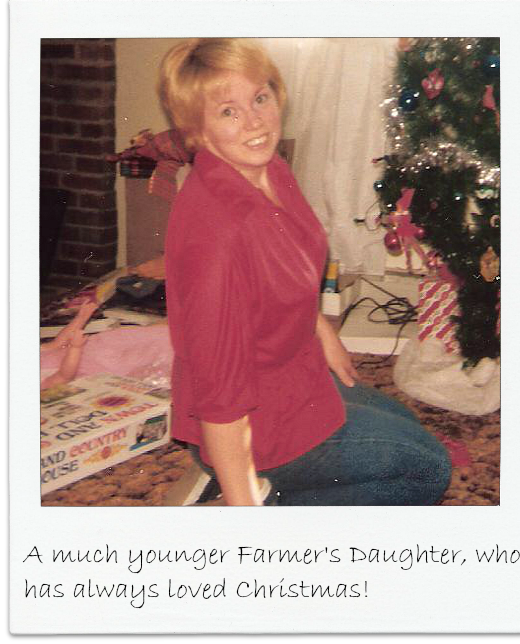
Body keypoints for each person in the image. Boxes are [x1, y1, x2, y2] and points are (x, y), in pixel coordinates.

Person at [159, 38, 451, 506]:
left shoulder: (269, 170)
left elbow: (284, 274)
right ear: (197, 127)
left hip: (290, 371)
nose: (255, 122)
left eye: (260, 98)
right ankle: (263, 500)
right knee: (427, 468)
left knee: (407, 428)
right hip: (249, 419)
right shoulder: (216, 234)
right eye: (229, 111)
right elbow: (220, 392)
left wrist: (320, 331)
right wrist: (243, 508)